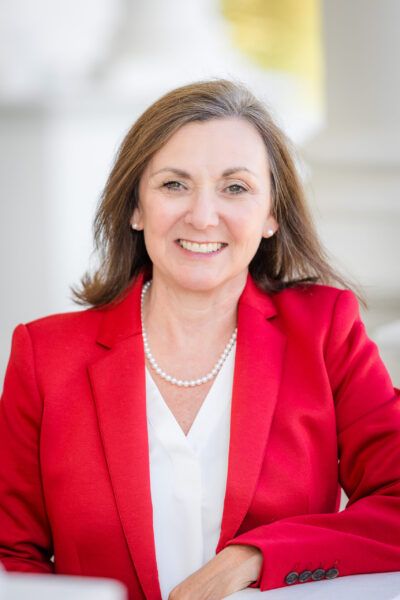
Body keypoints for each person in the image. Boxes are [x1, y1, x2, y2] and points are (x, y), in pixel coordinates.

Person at [0, 79, 399, 600]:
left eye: (235, 187)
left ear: (272, 214)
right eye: (174, 185)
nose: (203, 216)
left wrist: (256, 556)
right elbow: (11, 554)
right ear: (135, 208)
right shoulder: (45, 356)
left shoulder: (326, 332)